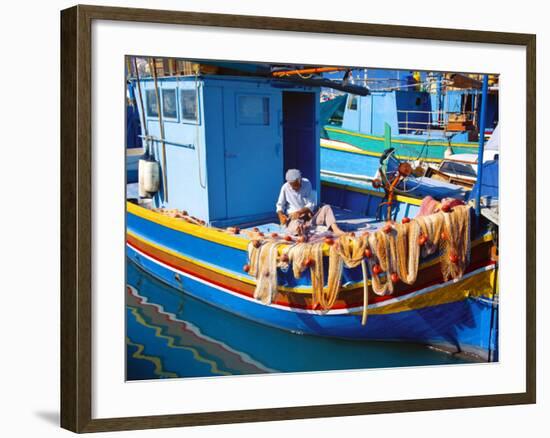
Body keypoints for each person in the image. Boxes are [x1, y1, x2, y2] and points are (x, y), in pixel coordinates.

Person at [276, 169, 344, 236]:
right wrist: (281, 215)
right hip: (294, 218)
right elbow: (280, 205)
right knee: (297, 228)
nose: (295, 188)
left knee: (327, 208)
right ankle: (305, 229)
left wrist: (300, 212)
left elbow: (311, 203)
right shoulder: (285, 187)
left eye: (296, 185)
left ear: (300, 180)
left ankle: (336, 230)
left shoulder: (307, 183)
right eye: (292, 185)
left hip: (309, 217)